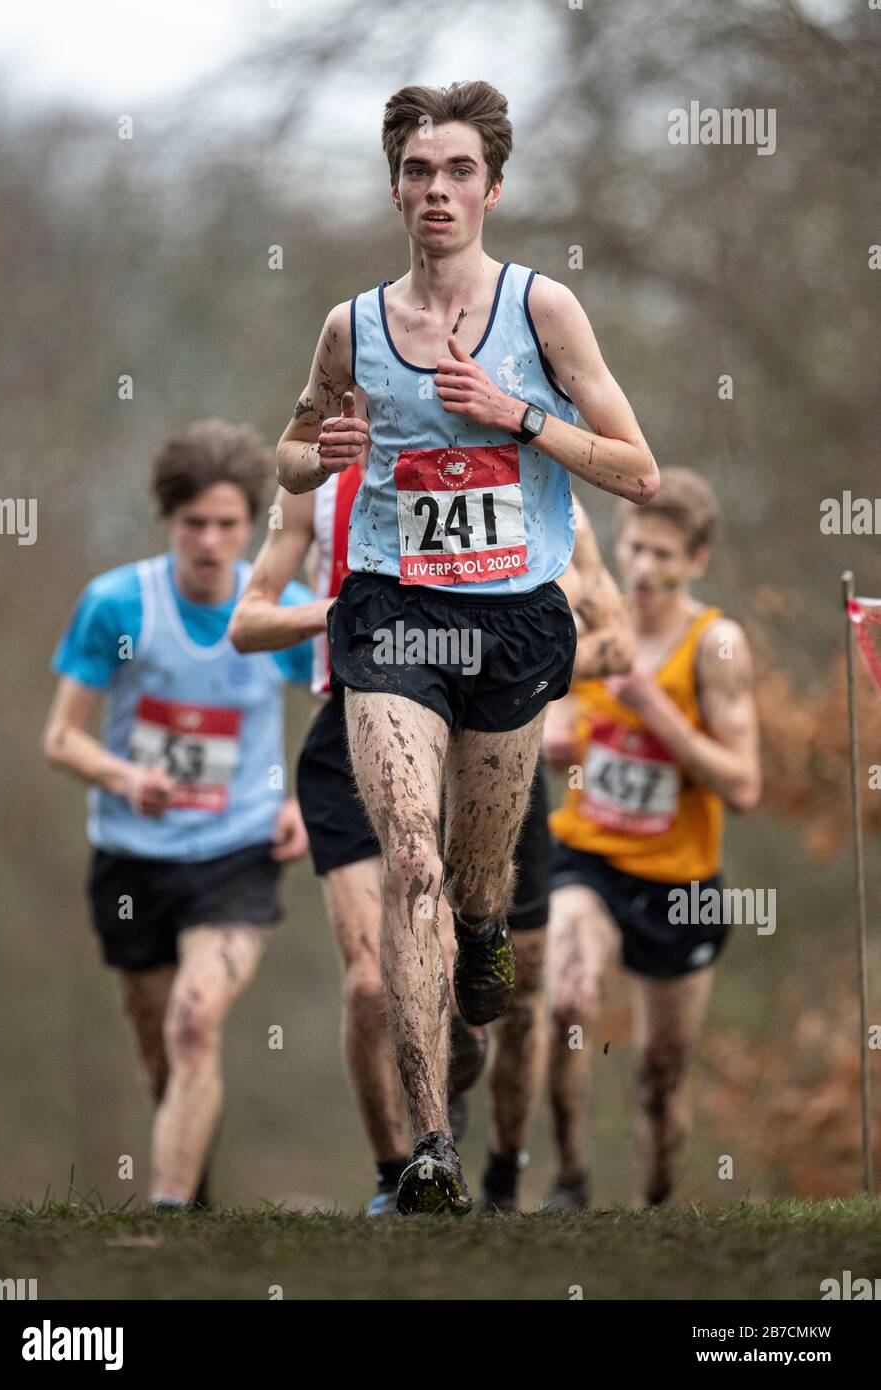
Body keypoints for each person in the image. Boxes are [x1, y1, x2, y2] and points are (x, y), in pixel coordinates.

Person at [277, 80, 658, 1213]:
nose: (435, 192)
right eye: (416, 171)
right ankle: (429, 1150)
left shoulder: (544, 311)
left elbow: (637, 465)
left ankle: (485, 936)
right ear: (393, 182)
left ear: (494, 185)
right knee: (410, 858)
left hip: (514, 618)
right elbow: (289, 455)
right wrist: (322, 449)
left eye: (457, 173)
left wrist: (519, 417)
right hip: (392, 609)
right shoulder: (352, 325)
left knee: (479, 882)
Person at [230, 424, 635, 1213]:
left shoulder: (523, 482)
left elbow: (615, 642)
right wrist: (348, 614)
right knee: (371, 980)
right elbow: (245, 623)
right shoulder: (319, 485)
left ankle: (507, 1176)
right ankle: (401, 1171)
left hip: (489, 729)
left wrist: (507, 661)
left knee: (513, 985)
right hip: (360, 721)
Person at [43, 420, 311, 1211]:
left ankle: (166, 1217)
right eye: (194, 523)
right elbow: (61, 739)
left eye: (228, 524)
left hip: (235, 854)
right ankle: (194, 1198)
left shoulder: (282, 615)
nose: (210, 541)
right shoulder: (118, 605)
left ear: (251, 525)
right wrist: (125, 776)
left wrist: (306, 799)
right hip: (132, 860)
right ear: (167, 521)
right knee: (163, 1052)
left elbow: (346, 722)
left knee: (196, 1022)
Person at [543, 468, 761, 1210]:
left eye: (662, 555)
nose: (641, 569)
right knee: (567, 1000)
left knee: (659, 1075)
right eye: (634, 548)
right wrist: (555, 738)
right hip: (589, 860)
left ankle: (656, 1209)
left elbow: (743, 784)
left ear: (694, 561)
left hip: (680, 883)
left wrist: (655, 714)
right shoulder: (590, 625)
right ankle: (568, 1178)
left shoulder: (714, 645)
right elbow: (559, 730)